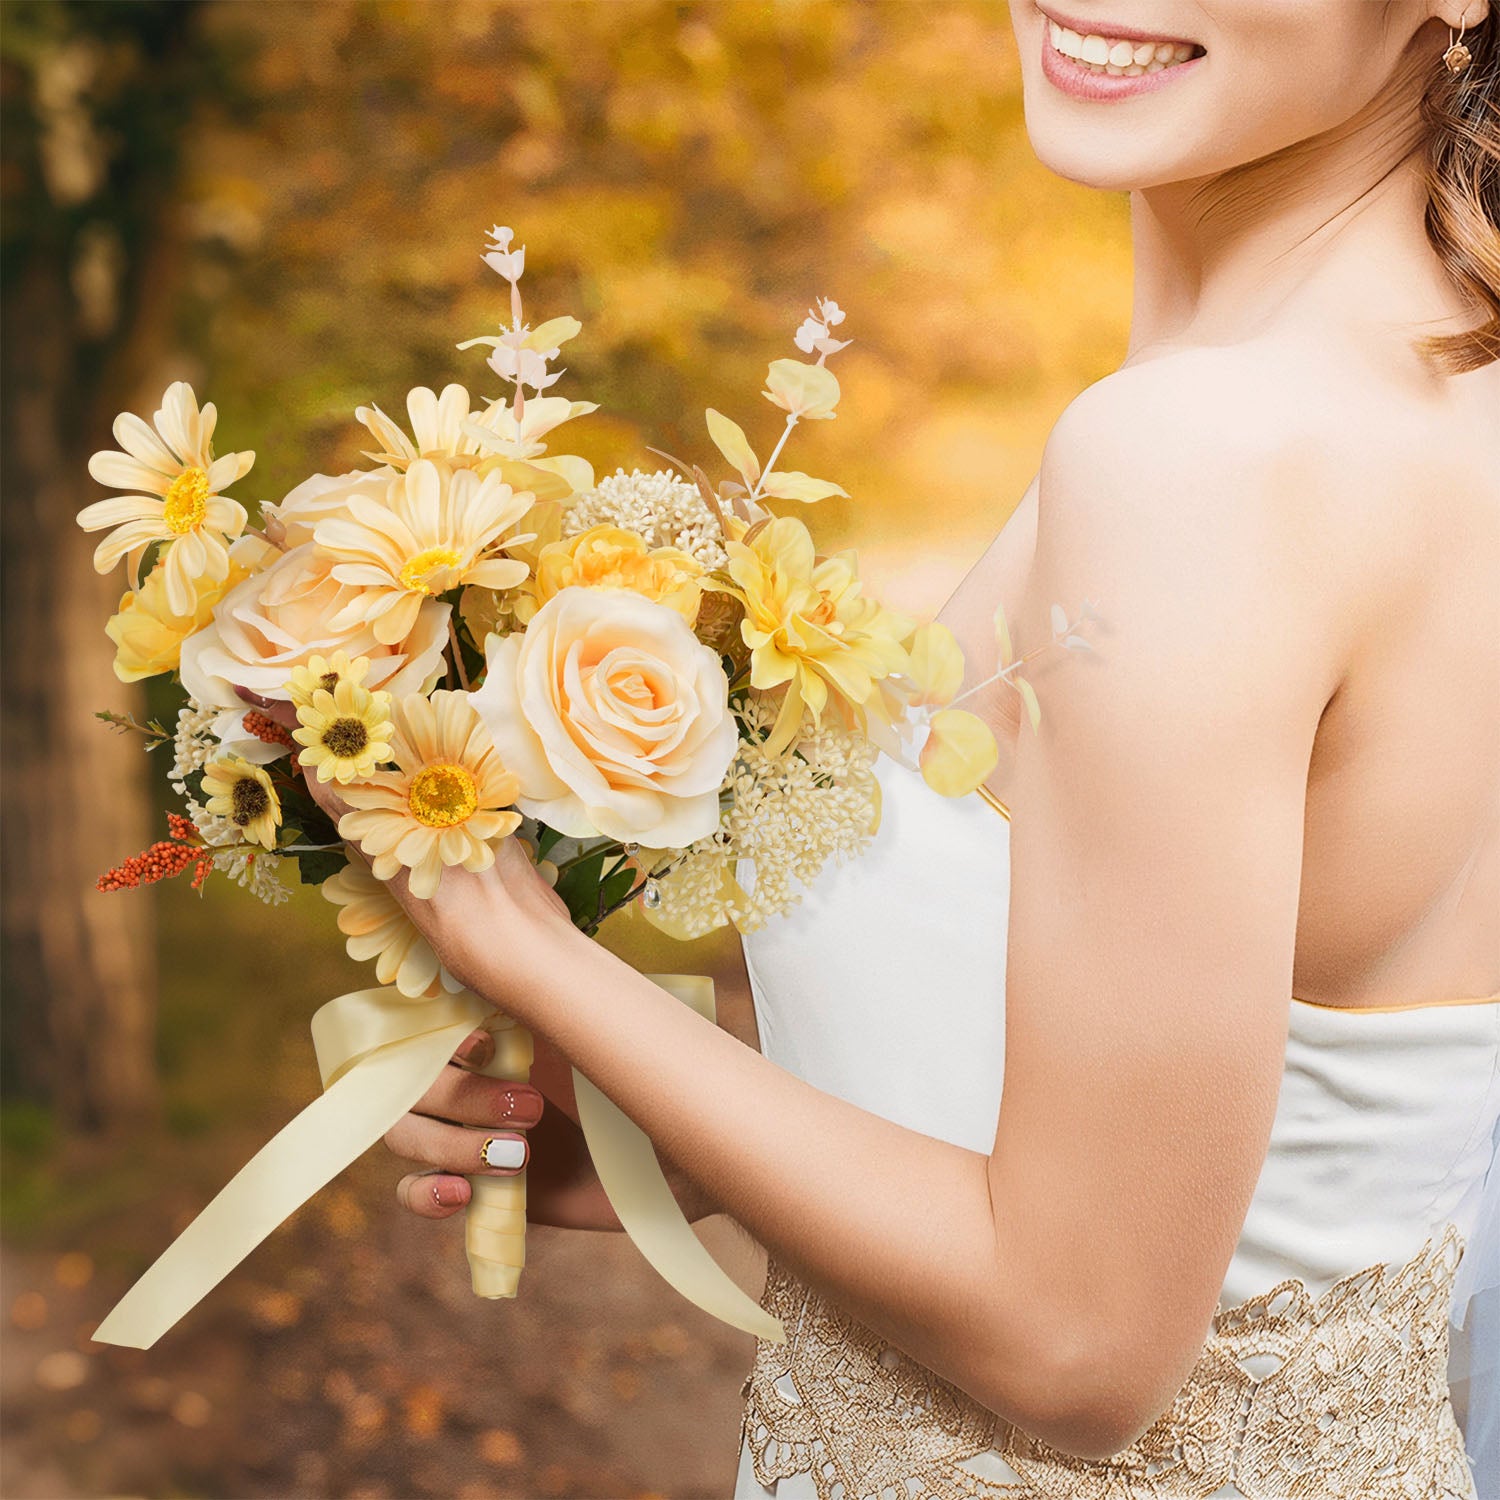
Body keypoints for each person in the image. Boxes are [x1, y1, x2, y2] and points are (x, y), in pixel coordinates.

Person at [305, 2, 1500, 1493]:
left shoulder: (1200, 458)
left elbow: (1079, 1344)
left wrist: (515, 936)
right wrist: (690, 1136)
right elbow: (1271, 1135)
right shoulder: (1418, 411)